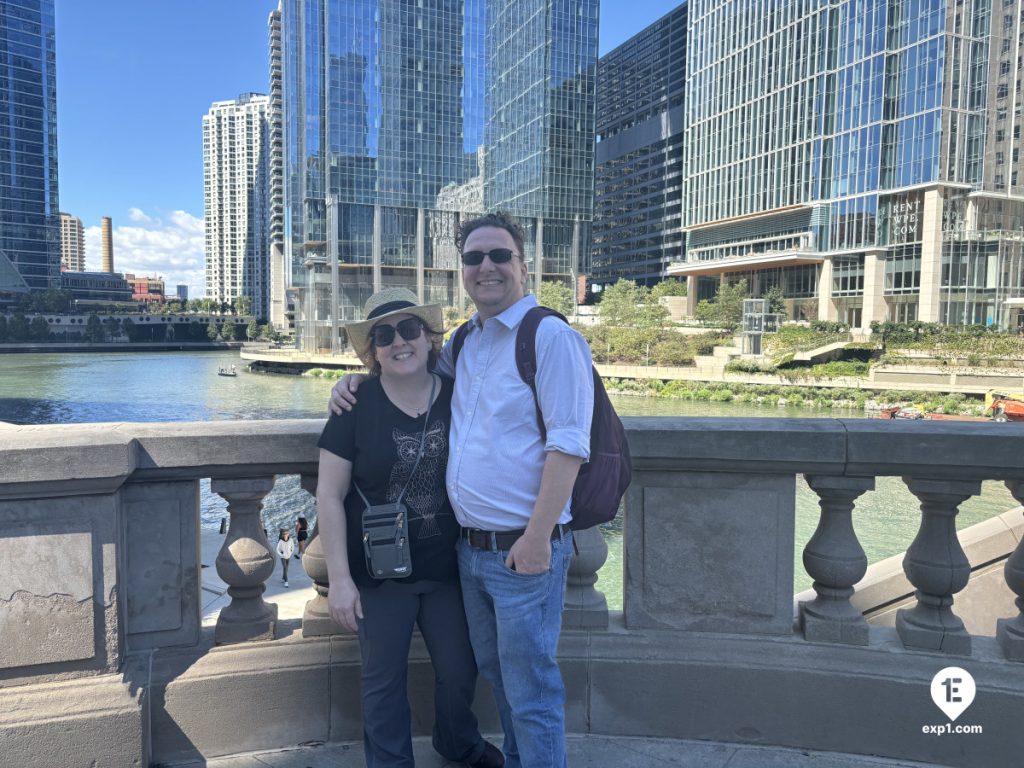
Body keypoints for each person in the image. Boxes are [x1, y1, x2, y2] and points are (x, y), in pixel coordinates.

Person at [331, 212, 594, 768]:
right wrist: (352, 380)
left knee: (532, 692)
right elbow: (406, 377)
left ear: (523, 266)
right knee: (502, 680)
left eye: (499, 255)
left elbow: (569, 444)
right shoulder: (467, 344)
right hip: (469, 555)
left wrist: (538, 538)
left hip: (521, 549)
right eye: (474, 258)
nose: (487, 267)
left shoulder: (550, 336)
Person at [317, 287, 503, 768]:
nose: (399, 341)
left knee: (461, 670)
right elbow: (329, 496)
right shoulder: (353, 406)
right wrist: (338, 580)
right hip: (378, 572)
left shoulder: (460, 397)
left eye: (409, 328)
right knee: (382, 681)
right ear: (372, 351)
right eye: (384, 335)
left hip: (449, 566)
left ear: (428, 336)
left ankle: (457, 742)